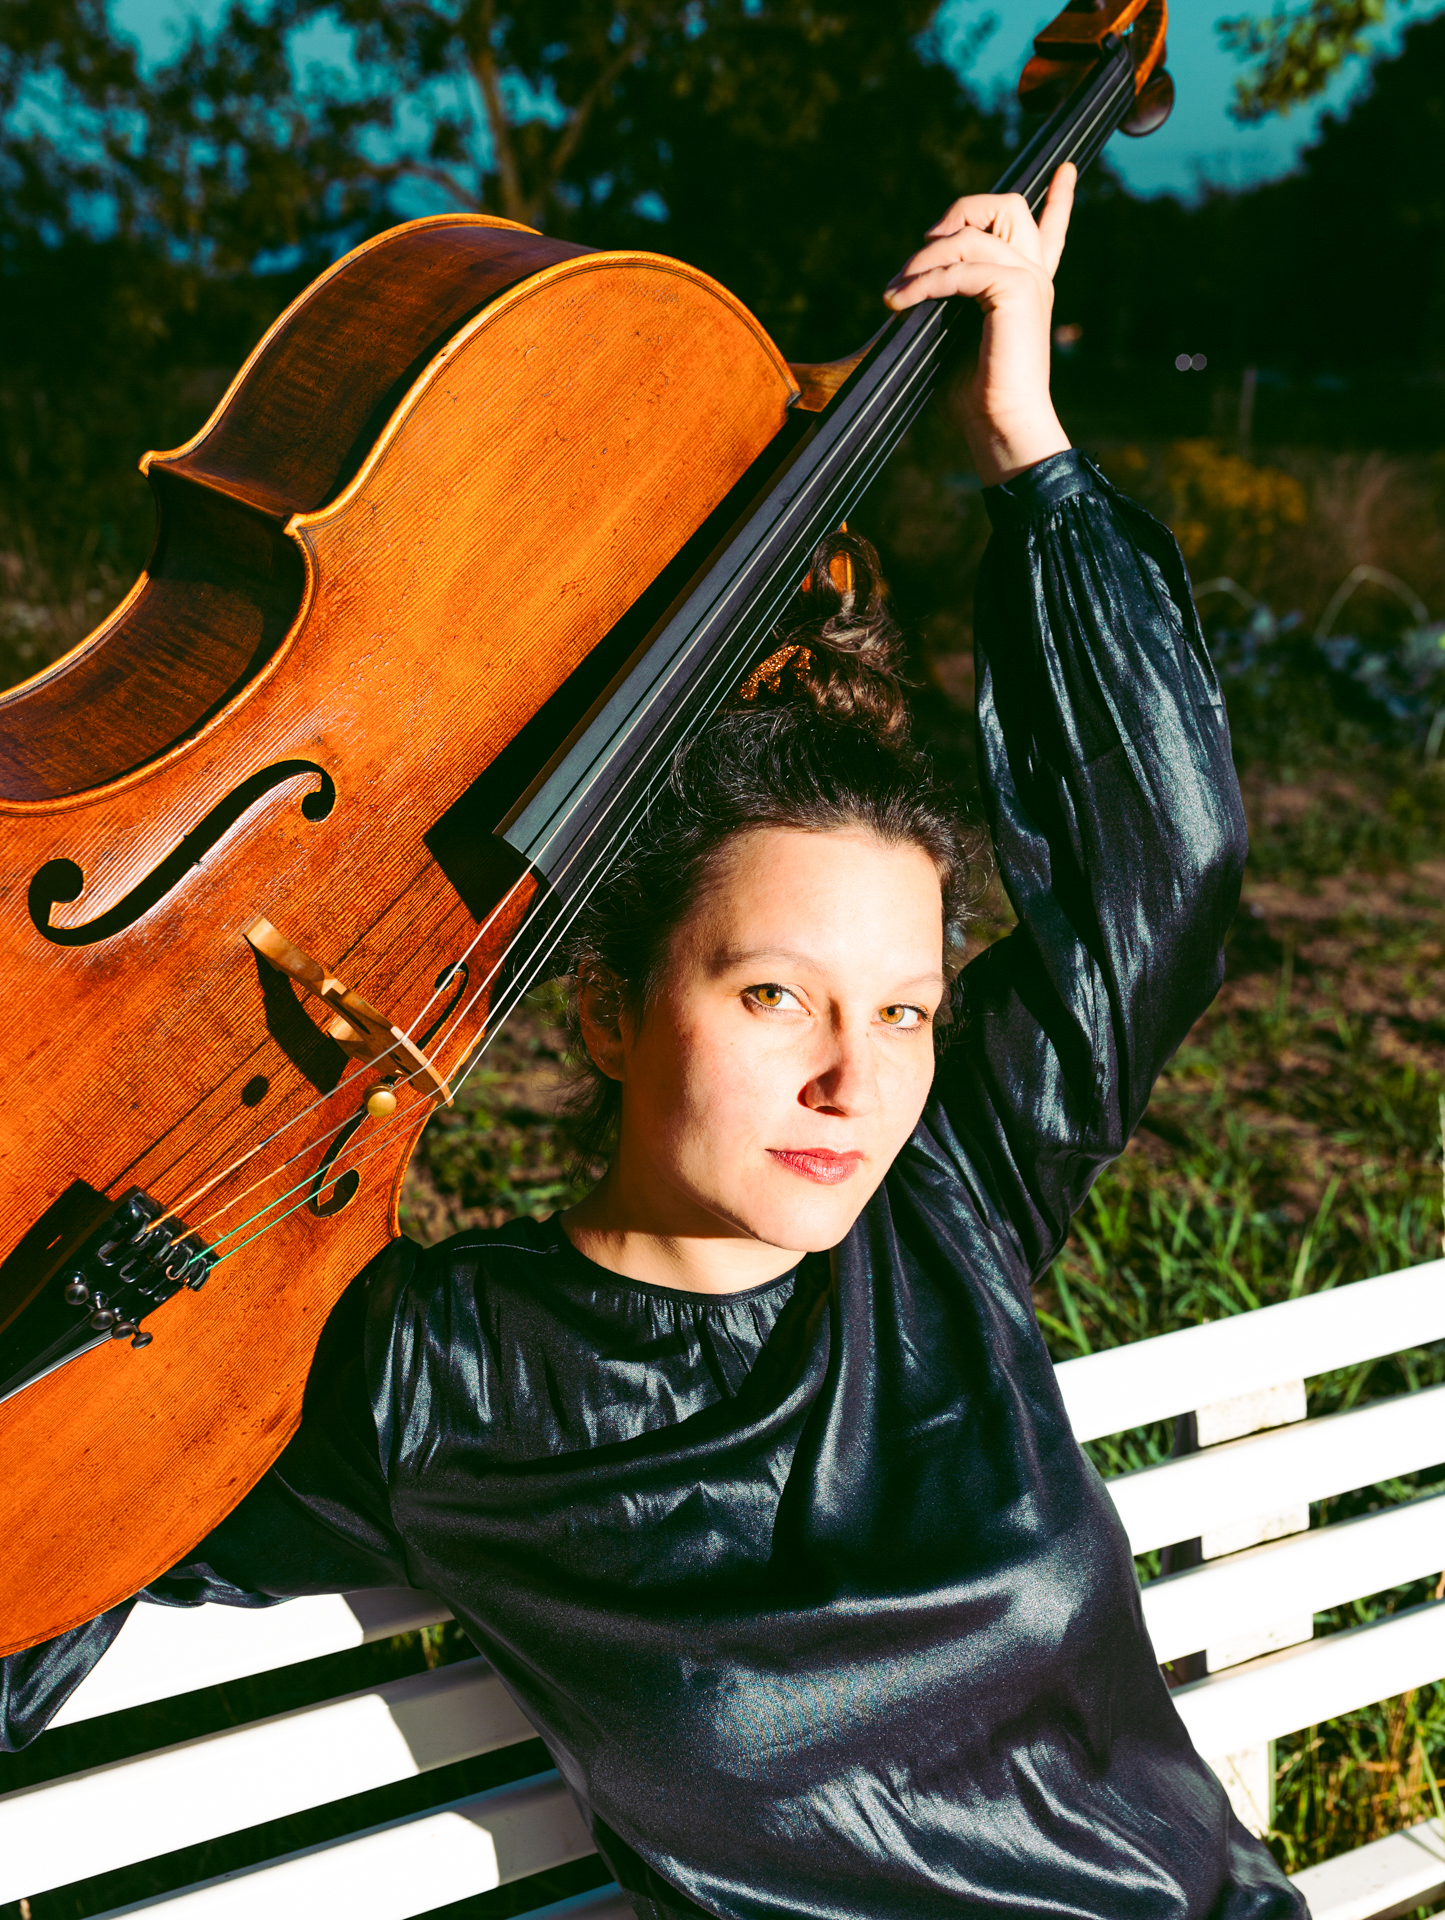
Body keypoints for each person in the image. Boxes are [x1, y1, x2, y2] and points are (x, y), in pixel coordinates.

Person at [1, 167, 1307, 1918]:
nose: (854, 1082)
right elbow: (69, 1512)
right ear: (609, 1011)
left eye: (902, 1011)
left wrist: (1027, 448)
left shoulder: (949, 1210)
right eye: (774, 996)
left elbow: (1166, 876)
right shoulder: (441, 1380)